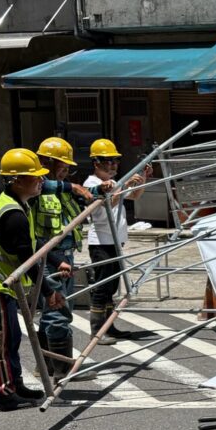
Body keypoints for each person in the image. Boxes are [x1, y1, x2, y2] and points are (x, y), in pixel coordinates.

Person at [0, 148, 66, 411]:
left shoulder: (19, 205)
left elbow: (33, 244)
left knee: (11, 338)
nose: (41, 180)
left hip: (1, 285)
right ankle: (5, 396)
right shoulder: (13, 215)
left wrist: (56, 260)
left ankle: (15, 384)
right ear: (16, 180)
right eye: (35, 177)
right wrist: (48, 292)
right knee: (0, 340)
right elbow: (26, 260)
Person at [33, 137, 94, 382]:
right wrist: (72, 187)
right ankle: (61, 370)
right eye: (64, 166)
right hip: (50, 260)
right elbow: (46, 186)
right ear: (47, 162)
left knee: (54, 312)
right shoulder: (39, 186)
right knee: (57, 312)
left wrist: (101, 189)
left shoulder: (61, 188)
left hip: (64, 258)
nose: (67, 172)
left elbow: (83, 195)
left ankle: (46, 366)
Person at [84, 138, 153, 344]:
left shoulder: (115, 183)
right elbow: (105, 204)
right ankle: (97, 331)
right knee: (102, 286)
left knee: (112, 287)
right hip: (101, 241)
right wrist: (123, 187)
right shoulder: (92, 184)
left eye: (115, 161)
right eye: (108, 161)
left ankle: (109, 326)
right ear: (96, 163)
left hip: (115, 241)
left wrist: (142, 179)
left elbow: (135, 196)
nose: (113, 165)